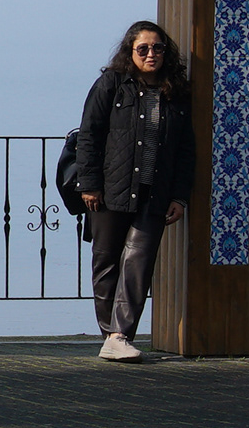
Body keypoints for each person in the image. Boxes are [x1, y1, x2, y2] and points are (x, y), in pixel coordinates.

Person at [75, 21, 194, 362]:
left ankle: (120, 335)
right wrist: (90, 184)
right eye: (143, 49)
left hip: (155, 193)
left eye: (158, 48)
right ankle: (109, 335)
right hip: (110, 190)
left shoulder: (175, 92)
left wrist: (179, 196)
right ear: (130, 52)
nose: (151, 54)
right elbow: (89, 134)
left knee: (138, 264)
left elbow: (186, 149)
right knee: (107, 262)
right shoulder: (112, 84)